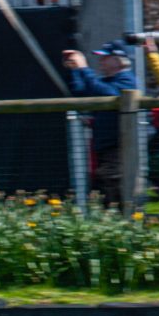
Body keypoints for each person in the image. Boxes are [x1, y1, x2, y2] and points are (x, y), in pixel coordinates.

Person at [63, 40, 138, 206]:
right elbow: (81, 92)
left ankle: (125, 219)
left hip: (119, 147)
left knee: (113, 186)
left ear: (118, 60)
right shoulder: (105, 81)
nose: (101, 61)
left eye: (105, 57)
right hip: (103, 146)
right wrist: (75, 70)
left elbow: (107, 94)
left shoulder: (127, 79)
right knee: (101, 187)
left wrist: (84, 68)